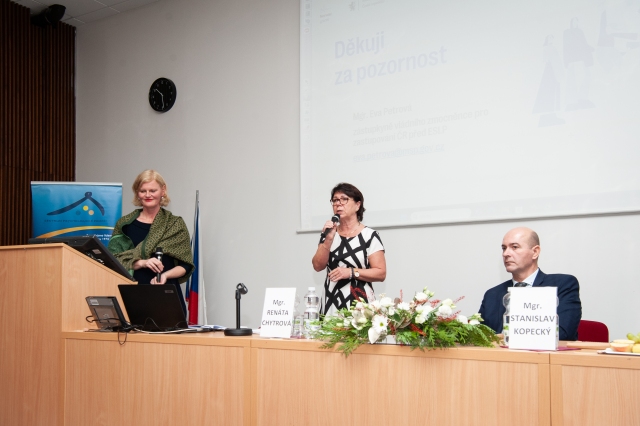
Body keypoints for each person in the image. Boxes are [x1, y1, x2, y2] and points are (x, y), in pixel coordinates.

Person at [108, 170, 194, 314]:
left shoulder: (175, 224)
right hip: (132, 295)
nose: (148, 195)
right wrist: (142, 263)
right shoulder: (125, 224)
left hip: (167, 295)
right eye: (143, 191)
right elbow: (113, 260)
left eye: (153, 190)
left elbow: (186, 265)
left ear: (163, 191)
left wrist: (165, 275)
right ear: (137, 193)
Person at [478, 227, 582, 340]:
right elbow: (478, 337)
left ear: (535, 252)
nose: (506, 254)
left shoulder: (562, 285)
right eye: (504, 248)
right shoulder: (492, 294)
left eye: (514, 247)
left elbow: (563, 334)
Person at [312, 183, 386, 316]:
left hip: (360, 302)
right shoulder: (329, 233)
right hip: (331, 300)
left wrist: (351, 272)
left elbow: (381, 273)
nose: (338, 204)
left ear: (357, 205)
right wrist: (327, 239)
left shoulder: (369, 236)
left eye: (344, 199)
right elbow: (317, 266)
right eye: (335, 200)